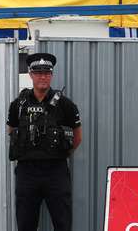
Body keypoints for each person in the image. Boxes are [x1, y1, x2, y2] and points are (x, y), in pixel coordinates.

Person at [7, 52, 82, 231]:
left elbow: (77, 138)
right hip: (27, 172)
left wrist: (58, 154)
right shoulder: (18, 104)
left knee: (62, 223)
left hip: (56, 172)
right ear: (30, 74)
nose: (43, 77)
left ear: (52, 75)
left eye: (47, 73)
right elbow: (11, 131)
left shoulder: (66, 105)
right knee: (26, 224)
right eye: (38, 72)